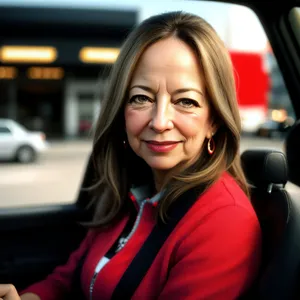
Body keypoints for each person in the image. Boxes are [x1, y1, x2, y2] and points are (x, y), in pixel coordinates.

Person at [0, 11, 261, 300]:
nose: (160, 121)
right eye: (141, 98)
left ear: (214, 120)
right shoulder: (133, 191)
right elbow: (70, 277)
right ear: (121, 108)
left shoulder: (224, 222)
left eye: (186, 101)